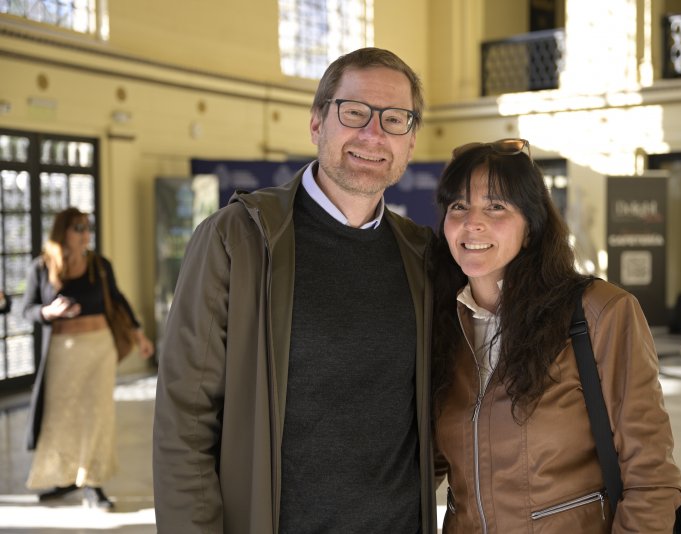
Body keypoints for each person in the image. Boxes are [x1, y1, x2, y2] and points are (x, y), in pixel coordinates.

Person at [152, 47, 436, 533]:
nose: (373, 134)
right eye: (354, 112)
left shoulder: (422, 255)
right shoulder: (237, 239)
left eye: (394, 119)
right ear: (316, 123)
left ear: (410, 143)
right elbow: (186, 423)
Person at [431, 139, 681, 533]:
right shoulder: (443, 323)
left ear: (531, 227)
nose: (472, 222)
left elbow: (651, 474)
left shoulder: (599, 312)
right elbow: (425, 464)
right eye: (458, 207)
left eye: (496, 206)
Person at [21, 207, 154, 510]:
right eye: (78, 228)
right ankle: (67, 476)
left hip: (99, 349)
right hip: (62, 353)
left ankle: (93, 483)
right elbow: (25, 309)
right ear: (62, 232)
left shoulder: (99, 265)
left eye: (87, 227)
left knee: (97, 415)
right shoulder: (41, 267)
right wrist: (47, 312)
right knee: (62, 417)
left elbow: (118, 299)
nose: (85, 234)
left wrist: (139, 335)